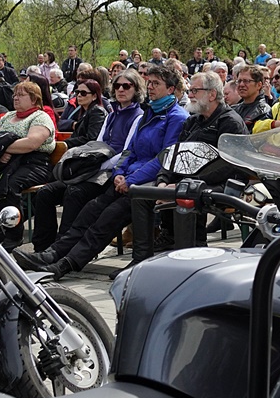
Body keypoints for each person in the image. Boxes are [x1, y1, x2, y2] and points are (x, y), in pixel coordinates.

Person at [17, 64, 191, 277]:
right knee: (91, 209)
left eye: (156, 83)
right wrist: (119, 173)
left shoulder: (176, 117)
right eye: (150, 82)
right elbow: (130, 150)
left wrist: (131, 179)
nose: (151, 87)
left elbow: (164, 157)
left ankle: (67, 264)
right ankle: (54, 252)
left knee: (107, 218)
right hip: (127, 178)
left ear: (171, 89)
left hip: (149, 182)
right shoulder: (150, 113)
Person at [127, 71, 248, 262]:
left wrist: (187, 182)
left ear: (212, 94)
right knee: (142, 194)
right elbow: (174, 154)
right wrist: (162, 180)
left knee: (186, 193)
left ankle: (192, 252)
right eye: (189, 90)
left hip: (221, 183)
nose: (189, 95)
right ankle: (140, 259)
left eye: (195, 91)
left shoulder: (230, 122)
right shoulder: (193, 121)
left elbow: (229, 165)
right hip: (185, 181)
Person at [27, 69, 147, 253]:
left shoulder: (138, 116)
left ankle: (61, 248)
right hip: (94, 167)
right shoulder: (112, 114)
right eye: (117, 86)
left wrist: (97, 166)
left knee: (74, 193)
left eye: (126, 86)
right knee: (46, 193)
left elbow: (126, 151)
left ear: (136, 89)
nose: (121, 90)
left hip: (112, 171)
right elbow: (97, 144)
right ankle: (42, 246)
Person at [0, 81, 56, 245]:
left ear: (34, 99)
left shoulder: (41, 117)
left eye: (21, 95)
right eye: (15, 94)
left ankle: (13, 234)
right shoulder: (8, 116)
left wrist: (3, 149)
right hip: (4, 163)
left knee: (8, 186)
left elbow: (31, 143)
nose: (16, 98)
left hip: (34, 163)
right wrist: (2, 150)